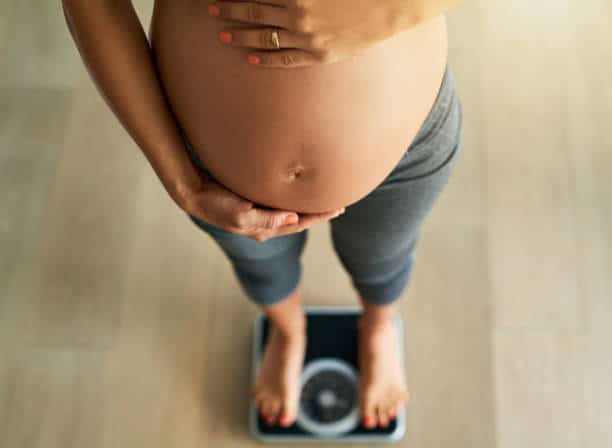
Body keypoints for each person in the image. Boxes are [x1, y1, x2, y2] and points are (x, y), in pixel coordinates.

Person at [62, 0, 464, 431]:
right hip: (209, 162)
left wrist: (386, 11)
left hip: (409, 136)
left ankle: (379, 327)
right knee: (258, 262)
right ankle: (287, 329)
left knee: (383, 254)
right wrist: (185, 184)